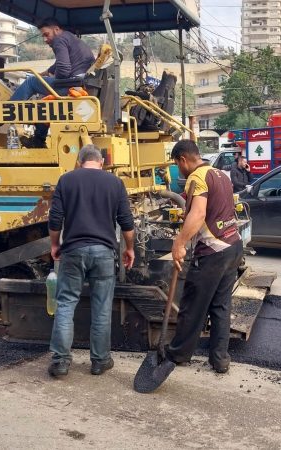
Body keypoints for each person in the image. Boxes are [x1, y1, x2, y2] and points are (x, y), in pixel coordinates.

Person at [151, 139, 244, 384]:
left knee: (193, 306)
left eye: (177, 164)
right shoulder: (220, 174)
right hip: (233, 246)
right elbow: (216, 205)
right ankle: (220, 359)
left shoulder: (197, 177)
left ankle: (178, 353)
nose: (179, 170)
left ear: (183, 159)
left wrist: (179, 242)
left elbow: (199, 212)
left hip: (213, 251)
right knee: (221, 305)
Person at [47, 145, 135, 378]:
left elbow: (55, 219)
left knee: (65, 304)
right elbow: (126, 222)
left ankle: (61, 362)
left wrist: (55, 245)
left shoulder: (66, 180)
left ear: (79, 162)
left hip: (73, 250)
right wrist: (130, 249)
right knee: (102, 308)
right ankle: (99, 361)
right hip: (104, 252)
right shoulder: (114, 183)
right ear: (102, 162)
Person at [11, 17, 96, 148]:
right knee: (44, 103)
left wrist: (52, 78)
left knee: (31, 82)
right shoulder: (70, 38)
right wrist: (45, 74)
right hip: (80, 85)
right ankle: (39, 139)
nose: (45, 39)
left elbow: (64, 68)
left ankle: (6, 110)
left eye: (46, 34)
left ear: (56, 30)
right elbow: (60, 63)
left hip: (70, 86)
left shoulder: (59, 40)